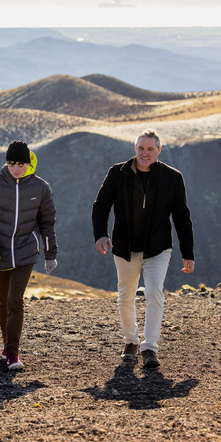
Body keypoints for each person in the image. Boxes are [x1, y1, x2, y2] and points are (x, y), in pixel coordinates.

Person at [91, 128, 194, 369]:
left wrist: (187, 253)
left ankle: (149, 347)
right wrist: (101, 235)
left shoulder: (172, 177)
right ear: (134, 149)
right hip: (125, 248)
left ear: (159, 150)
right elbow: (101, 205)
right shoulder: (117, 173)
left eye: (150, 149)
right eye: (141, 148)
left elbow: (182, 217)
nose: (144, 153)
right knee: (125, 296)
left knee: (154, 292)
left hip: (158, 249)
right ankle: (130, 342)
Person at [0, 140, 58, 370]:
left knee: (14, 299)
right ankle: (6, 343)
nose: (16, 168)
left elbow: (47, 223)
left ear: (28, 163)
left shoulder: (41, 188)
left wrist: (50, 254)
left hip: (25, 252)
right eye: (11, 163)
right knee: (2, 302)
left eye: (20, 163)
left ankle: (12, 353)